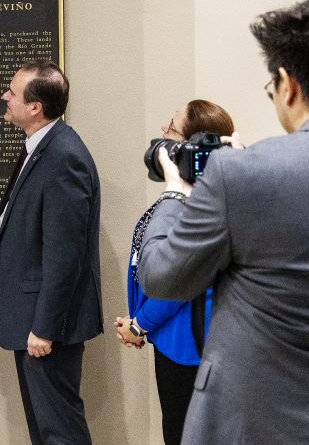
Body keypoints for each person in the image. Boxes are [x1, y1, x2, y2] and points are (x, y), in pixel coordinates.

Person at [138, 0, 309, 443]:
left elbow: (162, 276)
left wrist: (177, 190)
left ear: (287, 85)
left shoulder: (242, 175)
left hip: (253, 426)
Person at [0, 59, 102, 445]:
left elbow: (64, 254)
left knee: (60, 433)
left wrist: (45, 327)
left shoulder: (63, 156)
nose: (5, 97)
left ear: (35, 107)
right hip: (32, 321)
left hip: (48, 327)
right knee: (45, 431)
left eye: (13, 92)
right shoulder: (41, 148)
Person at [113, 100, 235, 445]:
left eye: (171, 130)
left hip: (187, 346)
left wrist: (139, 325)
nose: (162, 138)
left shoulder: (195, 203)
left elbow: (178, 282)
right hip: (170, 338)